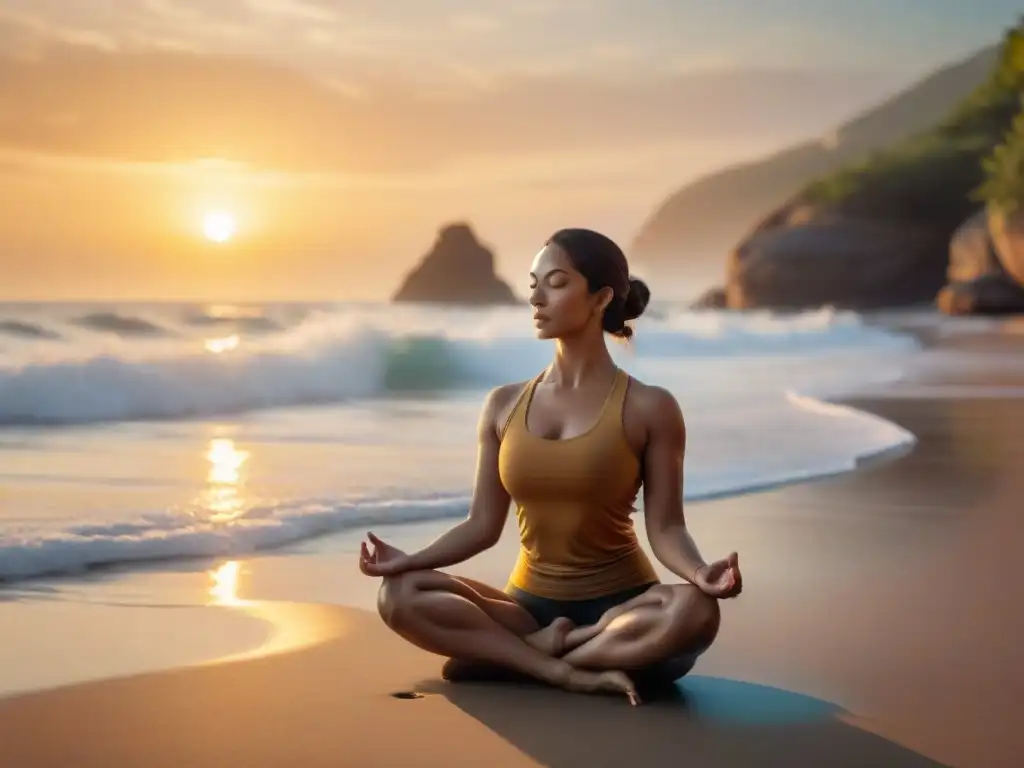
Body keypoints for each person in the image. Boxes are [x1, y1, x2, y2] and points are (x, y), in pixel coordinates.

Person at [358, 228, 742, 706]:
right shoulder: (504, 404)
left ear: (601, 298)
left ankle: (520, 659)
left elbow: (666, 528)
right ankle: (564, 670)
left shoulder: (650, 407)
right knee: (399, 595)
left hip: (624, 613)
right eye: (534, 282)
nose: (536, 296)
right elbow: (481, 526)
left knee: (696, 612)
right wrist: (408, 560)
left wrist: (700, 572)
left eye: (556, 282)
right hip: (526, 609)